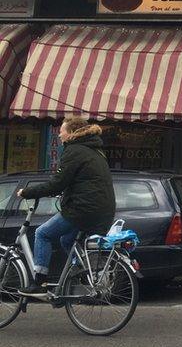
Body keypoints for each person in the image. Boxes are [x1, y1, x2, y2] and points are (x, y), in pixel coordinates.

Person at [18, 116, 115, 297]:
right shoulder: (95, 150)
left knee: (42, 233)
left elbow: (57, 183)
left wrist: (27, 192)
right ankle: (75, 278)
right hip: (103, 210)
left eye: (61, 131)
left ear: (71, 133)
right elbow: (84, 181)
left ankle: (39, 282)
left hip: (82, 209)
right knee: (66, 240)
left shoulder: (74, 151)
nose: (59, 134)